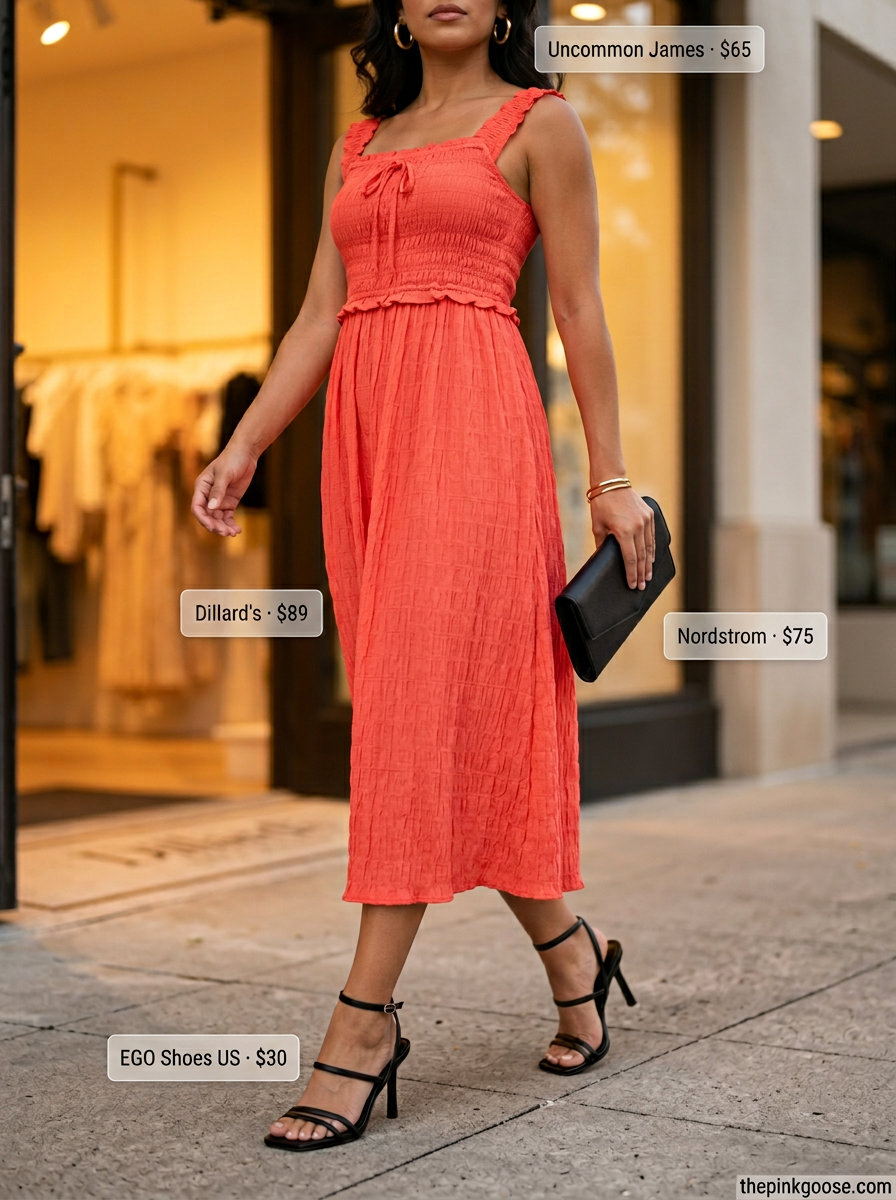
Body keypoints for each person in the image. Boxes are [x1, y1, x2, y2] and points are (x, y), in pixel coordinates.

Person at [191, 0, 655, 1154]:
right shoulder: (356, 141)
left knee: (406, 714)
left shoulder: (541, 122)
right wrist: (243, 445)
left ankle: (360, 1024)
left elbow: (579, 306)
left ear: (505, 2)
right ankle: (576, 965)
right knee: (439, 721)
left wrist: (609, 477)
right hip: (365, 444)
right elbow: (316, 314)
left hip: (471, 429)